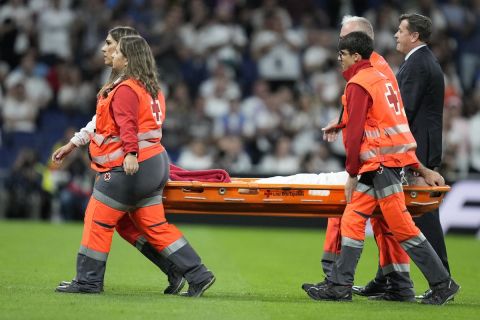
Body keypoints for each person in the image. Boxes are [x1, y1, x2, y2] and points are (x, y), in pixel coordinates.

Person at [304, 31, 459, 305]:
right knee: (352, 219)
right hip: (383, 164)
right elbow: (395, 128)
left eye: (342, 55)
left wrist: (351, 174)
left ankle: (442, 283)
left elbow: (354, 136)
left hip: (378, 166)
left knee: (401, 226)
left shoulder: (358, 83)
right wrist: (418, 167)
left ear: (355, 56)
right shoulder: (382, 78)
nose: (339, 59)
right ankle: (340, 285)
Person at [55, 35, 215, 296]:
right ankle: (197, 273)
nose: (112, 54)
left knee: (97, 219)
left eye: (117, 51)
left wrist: (129, 153)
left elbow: (128, 125)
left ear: (128, 58)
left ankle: (87, 282)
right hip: (155, 160)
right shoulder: (152, 88)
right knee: (154, 226)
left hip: (134, 164)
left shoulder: (126, 88)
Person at [355, 13, 451, 301]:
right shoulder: (421, 61)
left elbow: (401, 112)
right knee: (391, 214)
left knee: (419, 217)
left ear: (414, 37)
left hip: (413, 150)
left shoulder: (418, 65)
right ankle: (389, 278)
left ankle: (441, 279)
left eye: (400, 31)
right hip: (417, 145)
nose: (395, 35)